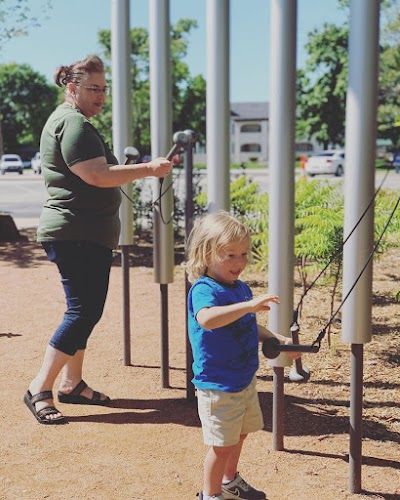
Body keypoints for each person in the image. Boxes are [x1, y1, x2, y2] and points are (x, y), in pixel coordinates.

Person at [24, 55, 172, 425]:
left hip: (83, 233)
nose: (101, 96)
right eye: (93, 89)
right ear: (72, 89)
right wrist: (149, 170)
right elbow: (96, 175)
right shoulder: (73, 124)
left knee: (86, 311)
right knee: (82, 311)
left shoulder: (73, 122)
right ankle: (39, 388)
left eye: (104, 89)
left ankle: (72, 384)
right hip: (76, 233)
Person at [186, 212, 300, 500]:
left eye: (244, 254)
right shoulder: (204, 289)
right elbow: (208, 320)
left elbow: (248, 324)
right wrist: (249, 306)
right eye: (230, 255)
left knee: (240, 434)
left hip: (243, 379)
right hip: (217, 385)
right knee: (221, 445)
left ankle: (229, 480)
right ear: (206, 254)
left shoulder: (239, 289)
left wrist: (278, 339)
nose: (239, 262)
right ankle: (210, 495)